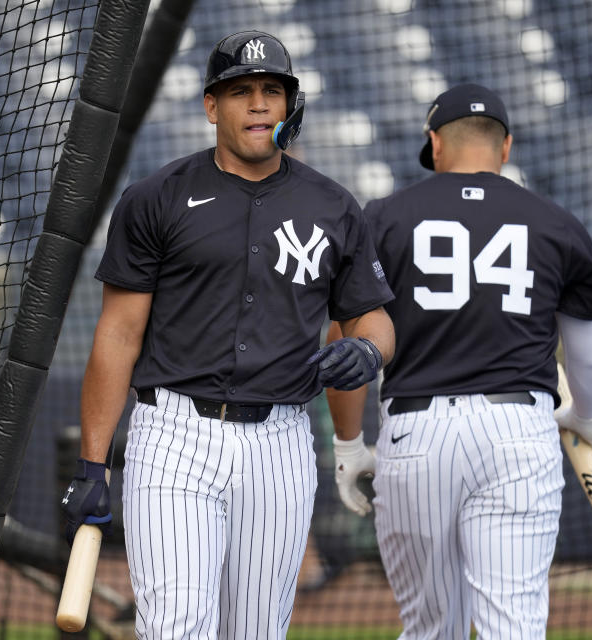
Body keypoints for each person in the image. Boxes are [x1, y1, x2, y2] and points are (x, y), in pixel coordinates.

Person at [60, 30, 395, 639]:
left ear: (290, 106)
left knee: (257, 630)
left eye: (273, 90)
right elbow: (116, 335)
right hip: (173, 437)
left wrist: (368, 349)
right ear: (212, 105)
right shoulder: (154, 198)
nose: (260, 104)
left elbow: (373, 318)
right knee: (176, 627)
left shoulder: (335, 206)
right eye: (242, 91)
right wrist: (92, 465)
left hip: (281, 440)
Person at [324, 83, 592, 639]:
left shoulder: (381, 218)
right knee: (514, 627)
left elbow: (344, 346)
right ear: (506, 147)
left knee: (431, 628)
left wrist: (349, 446)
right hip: (516, 431)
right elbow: (590, 358)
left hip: (415, 430)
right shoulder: (557, 223)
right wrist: (587, 417)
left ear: (435, 143)